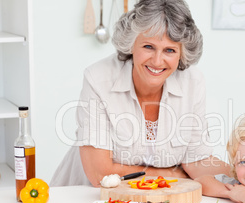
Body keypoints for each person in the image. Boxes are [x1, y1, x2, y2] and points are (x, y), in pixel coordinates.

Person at [51, 0, 229, 187]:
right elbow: (101, 172)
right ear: (131, 44)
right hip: (87, 197)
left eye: (170, 50)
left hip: (155, 202)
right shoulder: (98, 79)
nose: (157, 61)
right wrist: (171, 174)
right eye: (148, 47)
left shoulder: (193, 83)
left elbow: (197, 161)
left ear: (182, 54)